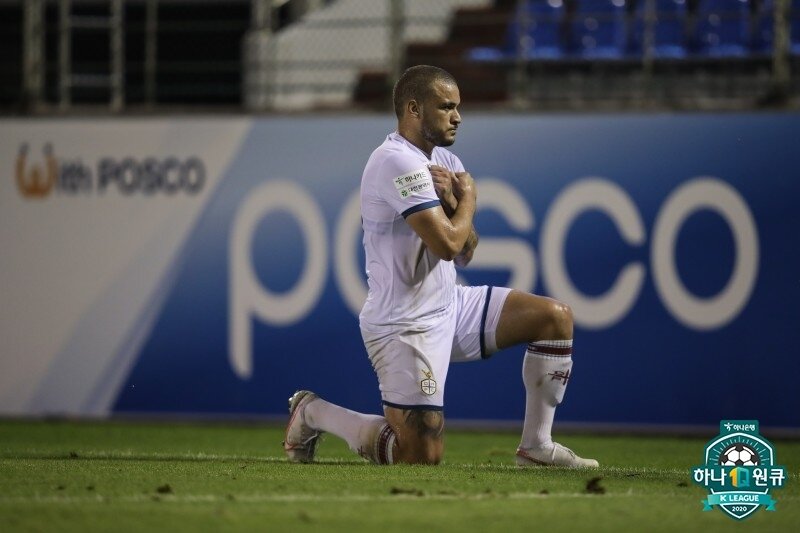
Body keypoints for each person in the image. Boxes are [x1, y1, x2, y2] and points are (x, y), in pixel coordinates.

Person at [284, 65, 597, 468]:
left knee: (554, 318)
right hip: (404, 322)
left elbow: (467, 251)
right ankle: (313, 412)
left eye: (457, 107)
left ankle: (536, 447)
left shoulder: (445, 159)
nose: (458, 116)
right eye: (447, 107)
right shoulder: (395, 161)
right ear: (414, 109)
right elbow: (447, 245)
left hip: (450, 305)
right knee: (419, 455)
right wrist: (468, 199)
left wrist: (453, 203)